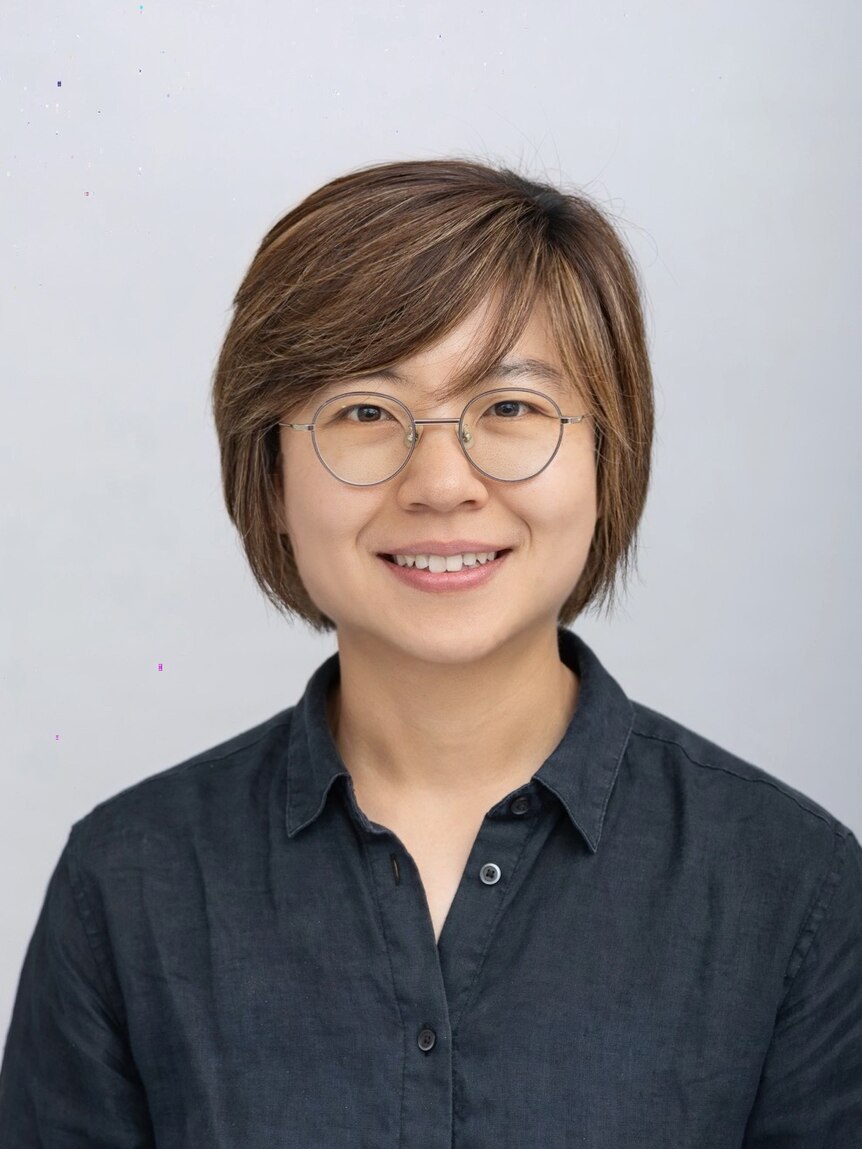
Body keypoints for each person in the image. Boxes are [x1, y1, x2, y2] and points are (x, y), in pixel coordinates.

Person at [1, 157, 859, 1147]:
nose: (441, 482)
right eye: (366, 412)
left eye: (511, 408)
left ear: (606, 454)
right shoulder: (128, 885)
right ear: (270, 471)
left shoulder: (792, 888)